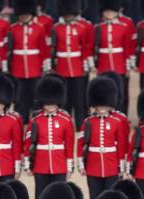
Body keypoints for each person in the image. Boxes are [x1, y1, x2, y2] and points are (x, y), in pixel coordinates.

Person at [24, 77, 75, 199]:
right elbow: (28, 143)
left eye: (53, 103)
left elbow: (69, 146)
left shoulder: (66, 120)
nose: (51, 105)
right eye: (48, 103)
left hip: (59, 164)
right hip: (41, 163)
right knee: (41, 195)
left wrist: (69, 167)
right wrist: (28, 164)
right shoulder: (35, 120)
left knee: (60, 195)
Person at [80, 77, 127, 199]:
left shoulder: (116, 122)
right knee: (94, 197)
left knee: (111, 197)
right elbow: (81, 144)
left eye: (103, 106)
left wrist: (121, 165)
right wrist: (82, 164)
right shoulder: (87, 122)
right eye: (99, 106)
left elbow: (121, 145)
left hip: (111, 165)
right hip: (93, 165)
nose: (101, 108)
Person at [51, 0, 92, 128]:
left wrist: (87, 65)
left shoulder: (82, 27)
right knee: (65, 99)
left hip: (78, 68)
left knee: (79, 99)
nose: (68, 16)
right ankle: (65, 125)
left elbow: (86, 47)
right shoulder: (56, 28)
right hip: (62, 68)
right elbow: (53, 48)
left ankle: (81, 124)